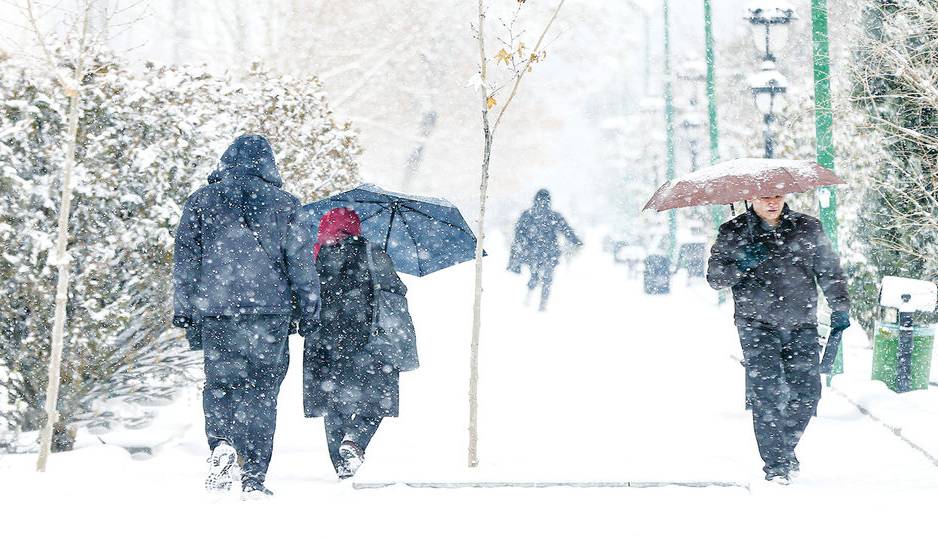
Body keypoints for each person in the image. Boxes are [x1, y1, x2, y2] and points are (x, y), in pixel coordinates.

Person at [172, 134, 320, 498]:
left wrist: (185, 310)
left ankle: (221, 444)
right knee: (262, 393)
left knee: (221, 385)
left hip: (218, 311)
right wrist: (309, 309)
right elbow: (301, 262)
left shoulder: (201, 202)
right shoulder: (286, 205)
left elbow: (186, 260)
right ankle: (253, 473)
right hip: (269, 314)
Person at [707, 195, 850, 485]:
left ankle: (783, 448)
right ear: (751, 198)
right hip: (756, 324)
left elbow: (829, 271)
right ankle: (776, 465)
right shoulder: (733, 231)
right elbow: (716, 278)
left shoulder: (807, 227)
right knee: (767, 392)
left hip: (801, 322)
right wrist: (744, 261)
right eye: (764, 197)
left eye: (777, 195)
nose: (772, 202)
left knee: (808, 392)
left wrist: (840, 306)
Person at [303, 208, 416, 479]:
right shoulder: (373, 254)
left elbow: (304, 298)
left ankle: (342, 466)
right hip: (369, 341)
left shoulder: (313, 257)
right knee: (376, 401)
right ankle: (355, 441)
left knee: (333, 405)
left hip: (325, 344)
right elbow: (397, 292)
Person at [508, 189, 583, 311]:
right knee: (547, 279)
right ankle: (542, 304)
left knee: (535, 273)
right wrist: (577, 242)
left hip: (533, 253)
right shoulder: (554, 216)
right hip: (550, 253)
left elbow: (518, 234)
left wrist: (523, 247)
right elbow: (567, 231)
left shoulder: (527, 215)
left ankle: (530, 292)